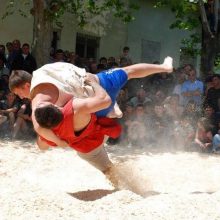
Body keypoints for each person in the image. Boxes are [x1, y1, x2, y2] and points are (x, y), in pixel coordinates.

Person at [9, 57, 173, 146]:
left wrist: (60, 142)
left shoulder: (38, 98)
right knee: (128, 71)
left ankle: (111, 106)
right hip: (96, 83)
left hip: (94, 101)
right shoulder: (45, 71)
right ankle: (165, 68)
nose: (22, 97)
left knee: (98, 104)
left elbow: (39, 127)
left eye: (19, 93)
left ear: (27, 85)